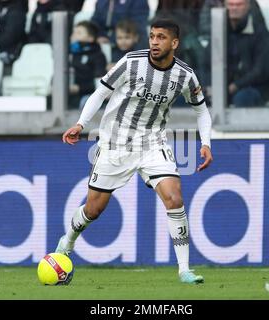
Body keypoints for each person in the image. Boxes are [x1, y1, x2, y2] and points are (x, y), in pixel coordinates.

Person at [55, 19, 213, 284]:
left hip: (153, 143)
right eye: (152, 36)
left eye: (161, 37)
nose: (154, 41)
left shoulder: (185, 75)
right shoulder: (130, 62)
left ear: (174, 43)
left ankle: (184, 269)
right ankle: (67, 241)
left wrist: (205, 143)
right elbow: (99, 94)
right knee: (93, 210)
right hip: (115, 143)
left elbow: (202, 110)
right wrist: (82, 123)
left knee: (174, 198)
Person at [226, 0, 269, 107]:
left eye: (239, 4)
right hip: (225, 88)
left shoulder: (261, 33)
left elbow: (261, 71)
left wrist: (236, 85)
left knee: (243, 97)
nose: (234, 8)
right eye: (231, 4)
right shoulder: (220, 31)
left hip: (256, 89)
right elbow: (207, 63)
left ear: (248, 6)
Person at [69, 21, 107, 109]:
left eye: (78, 33)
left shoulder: (98, 56)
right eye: (74, 32)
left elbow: (99, 83)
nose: (74, 36)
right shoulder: (70, 53)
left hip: (89, 95)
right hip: (70, 94)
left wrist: (79, 88)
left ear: (90, 38)